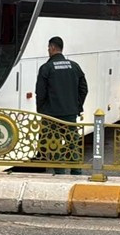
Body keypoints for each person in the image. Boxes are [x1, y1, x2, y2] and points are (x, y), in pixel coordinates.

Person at [35, 36, 88, 175]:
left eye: (48, 48)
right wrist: (77, 106)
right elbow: (84, 89)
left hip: (52, 116)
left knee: (55, 143)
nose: (48, 50)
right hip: (70, 114)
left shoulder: (46, 68)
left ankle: (59, 172)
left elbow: (40, 93)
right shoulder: (74, 66)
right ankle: (76, 170)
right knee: (72, 143)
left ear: (52, 48)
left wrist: (41, 111)